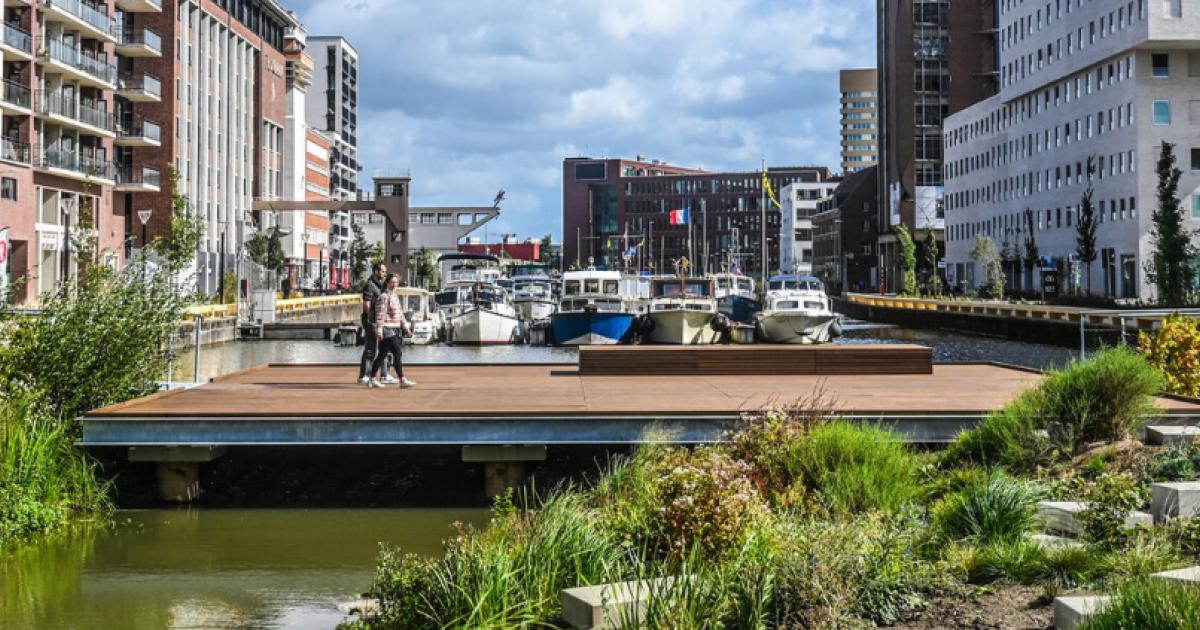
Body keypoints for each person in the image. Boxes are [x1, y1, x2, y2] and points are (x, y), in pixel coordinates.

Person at [369, 274, 416, 388]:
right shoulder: (383, 297)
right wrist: (379, 330)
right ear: (387, 283)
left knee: (382, 355)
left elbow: (400, 314)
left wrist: (406, 327)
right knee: (397, 352)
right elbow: (380, 314)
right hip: (387, 328)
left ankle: (372, 379)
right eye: (392, 282)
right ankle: (402, 380)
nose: (394, 284)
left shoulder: (394, 296)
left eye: (396, 282)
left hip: (395, 328)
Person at [358, 263, 392, 384]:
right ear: (376, 271)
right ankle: (364, 376)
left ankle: (384, 375)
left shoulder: (380, 285)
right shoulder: (369, 285)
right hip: (371, 321)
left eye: (385, 272)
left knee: (385, 347)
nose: (385, 274)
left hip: (380, 321)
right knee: (371, 348)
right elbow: (366, 305)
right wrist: (373, 320)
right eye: (383, 272)